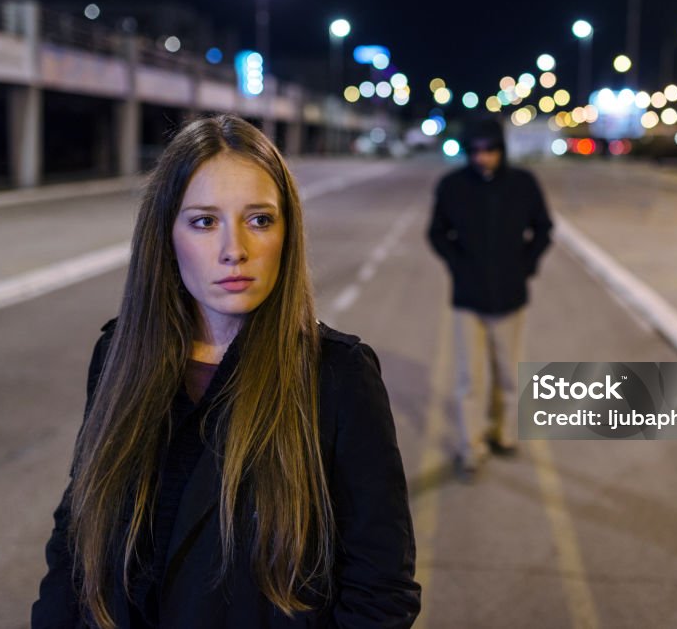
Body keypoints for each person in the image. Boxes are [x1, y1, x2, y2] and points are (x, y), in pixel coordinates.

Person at [32, 114, 420, 628]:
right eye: (204, 221)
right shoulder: (118, 355)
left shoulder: (338, 377)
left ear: (287, 232)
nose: (234, 250)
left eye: (259, 220)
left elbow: (381, 589)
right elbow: (76, 533)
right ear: (165, 234)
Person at [427, 118, 553, 479]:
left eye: (491, 150)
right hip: (467, 297)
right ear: (469, 151)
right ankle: (473, 447)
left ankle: (506, 434)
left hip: (511, 295)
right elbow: (436, 232)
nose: (484, 158)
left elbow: (544, 229)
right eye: (477, 151)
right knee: (471, 377)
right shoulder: (451, 186)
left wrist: (525, 266)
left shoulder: (523, 184)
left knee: (508, 373)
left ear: (502, 149)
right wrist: (457, 264)